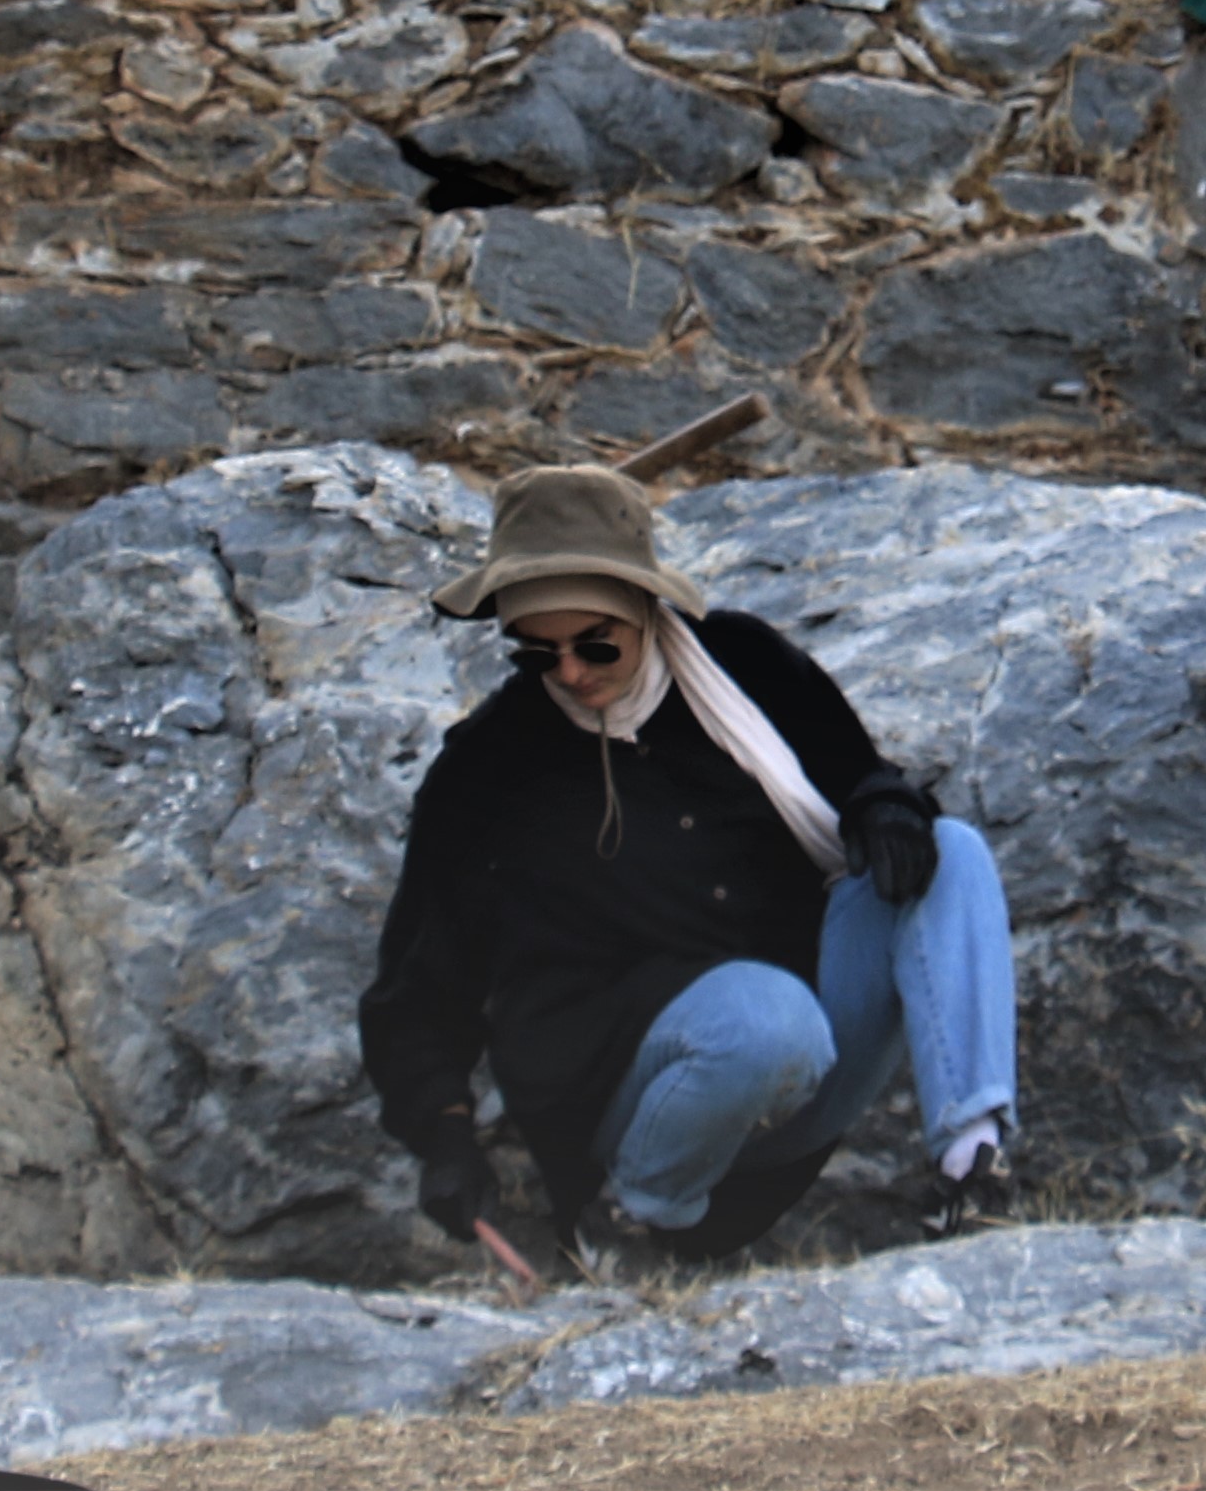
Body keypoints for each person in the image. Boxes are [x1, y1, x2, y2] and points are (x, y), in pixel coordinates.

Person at [361, 461, 1018, 1274]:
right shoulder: (487, 769)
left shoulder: (742, 667)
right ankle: (628, 1227)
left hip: (796, 1068)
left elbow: (860, 779)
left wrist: (884, 809)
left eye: (595, 644)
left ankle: (972, 1167)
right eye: (538, 654)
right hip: (625, 1096)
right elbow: (421, 981)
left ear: (645, 607)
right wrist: (444, 1134)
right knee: (762, 1017)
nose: (569, 673)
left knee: (948, 852)